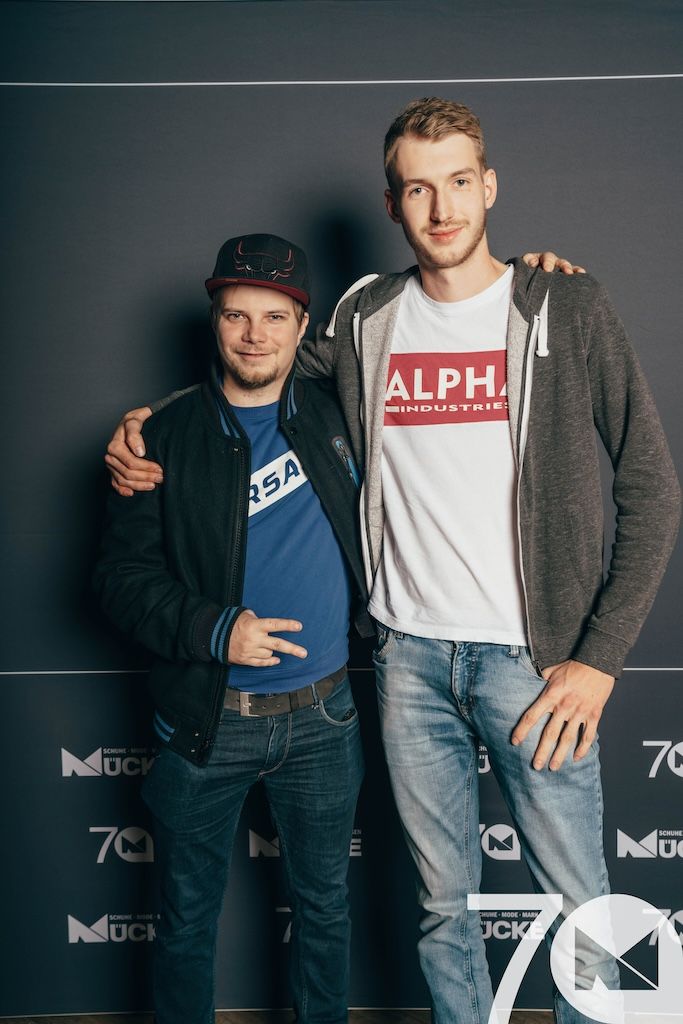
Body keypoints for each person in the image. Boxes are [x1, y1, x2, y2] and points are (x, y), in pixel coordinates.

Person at [104, 100, 680, 1023]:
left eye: (458, 182)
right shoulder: (367, 318)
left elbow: (651, 489)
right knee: (442, 911)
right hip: (408, 662)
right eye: (418, 188)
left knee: (579, 910)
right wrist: (149, 422)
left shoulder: (564, 306)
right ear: (391, 203)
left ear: (488, 187)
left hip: (534, 665)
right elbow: (257, 371)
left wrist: (598, 659)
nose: (441, 208)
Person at [94, 233, 371, 1024]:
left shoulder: (342, 415)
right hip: (206, 721)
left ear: (303, 327)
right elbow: (119, 581)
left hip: (323, 717)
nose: (254, 335)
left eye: (275, 317)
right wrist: (218, 631)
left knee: (324, 909)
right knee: (185, 919)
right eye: (235, 316)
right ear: (213, 322)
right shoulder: (158, 438)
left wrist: (533, 272)